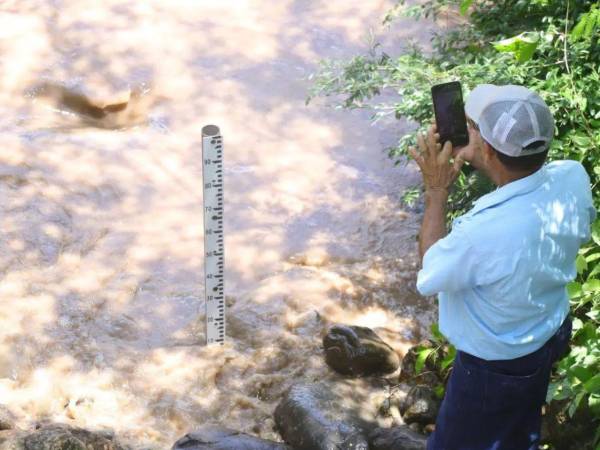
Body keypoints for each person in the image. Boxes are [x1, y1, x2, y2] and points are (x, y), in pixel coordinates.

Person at [407, 84, 597, 450]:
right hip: (545, 334)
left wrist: (435, 190)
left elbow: (429, 273)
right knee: (516, 429)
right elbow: (520, 183)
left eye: (474, 127)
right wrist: (483, 155)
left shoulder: (483, 234)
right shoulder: (572, 177)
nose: (469, 131)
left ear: (490, 148)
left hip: (492, 371)